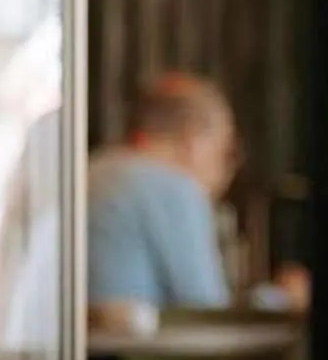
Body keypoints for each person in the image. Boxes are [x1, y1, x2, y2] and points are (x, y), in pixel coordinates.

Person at [88, 73, 246, 318]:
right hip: (134, 352)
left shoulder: (91, 170)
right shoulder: (175, 189)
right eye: (224, 151)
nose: (225, 171)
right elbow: (206, 310)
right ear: (194, 141)